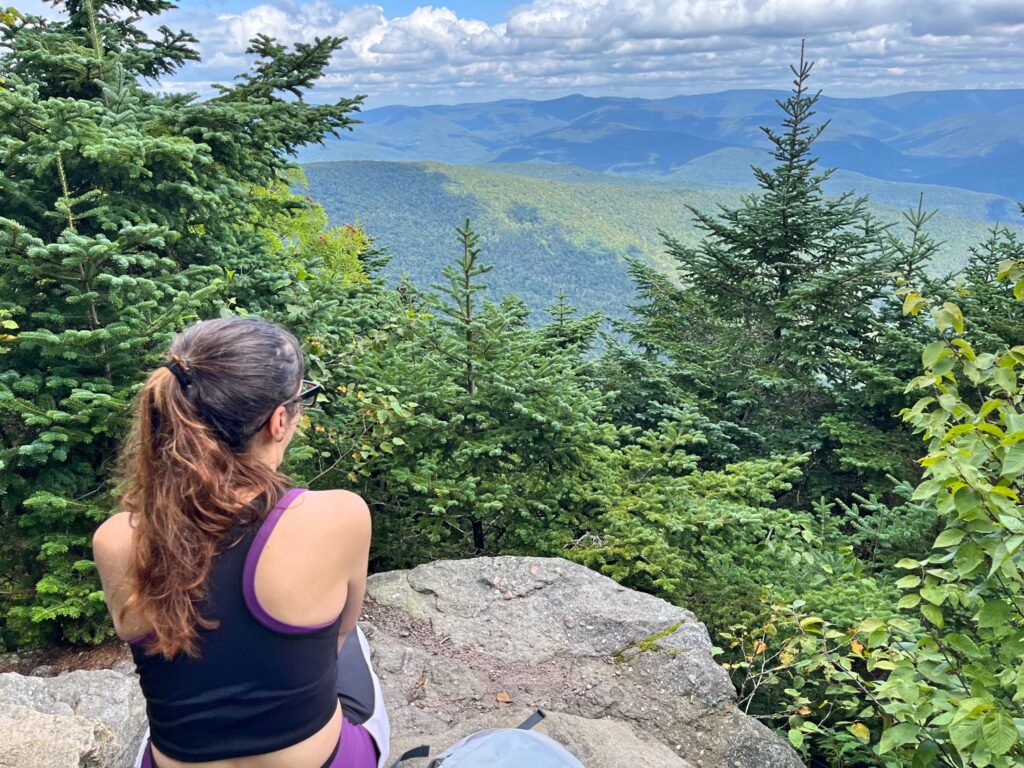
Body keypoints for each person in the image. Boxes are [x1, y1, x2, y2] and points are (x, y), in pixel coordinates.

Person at [92, 317, 390, 768]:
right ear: (278, 421)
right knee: (354, 641)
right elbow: (339, 637)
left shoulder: (115, 539)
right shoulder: (339, 515)